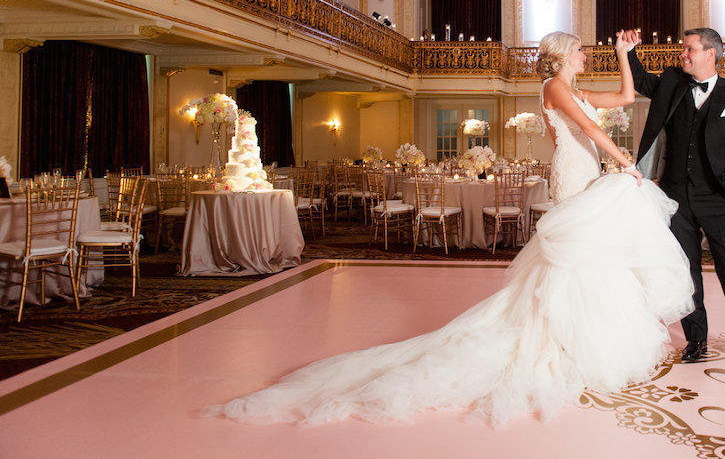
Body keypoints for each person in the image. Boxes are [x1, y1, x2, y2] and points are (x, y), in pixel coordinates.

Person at [206, 30, 694, 427]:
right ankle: (560, 338)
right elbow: (588, 131)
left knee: (588, 255)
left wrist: (623, 54)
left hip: (588, 168)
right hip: (573, 170)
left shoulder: (581, 89)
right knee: (574, 253)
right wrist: (623, 160)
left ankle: (577, 336)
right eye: (582, 50)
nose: (587, 55)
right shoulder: (554, 89)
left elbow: (628, 98)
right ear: (564, 55)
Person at [628, 27, 725, 371]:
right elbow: (638, 80)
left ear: (710, 53)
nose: (683, 54)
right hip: (676, 196)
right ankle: (696, 341)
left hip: (719, 199)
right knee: (687, 274)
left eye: (689, 49)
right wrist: (630, 51)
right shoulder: (672, 82)